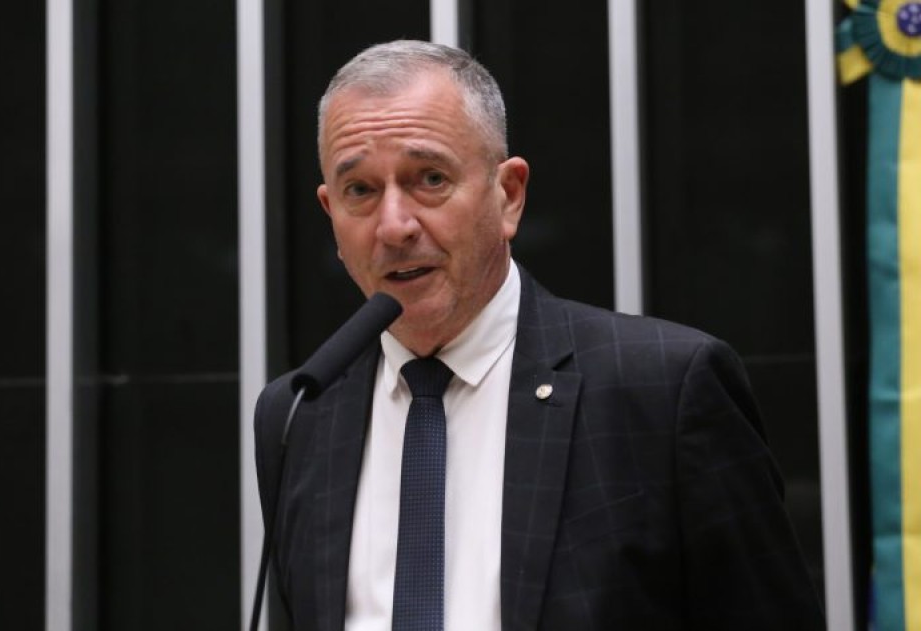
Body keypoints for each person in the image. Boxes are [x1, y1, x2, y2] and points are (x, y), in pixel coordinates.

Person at [255, 40, 824, 630]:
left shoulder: (663, 389)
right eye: (360, 191)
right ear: (331, 213)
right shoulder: (298, 415)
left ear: (509, 195)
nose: (394, 226)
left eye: (430, 179)